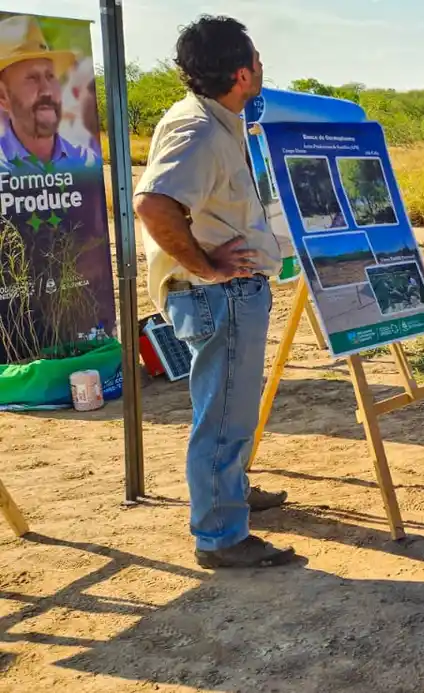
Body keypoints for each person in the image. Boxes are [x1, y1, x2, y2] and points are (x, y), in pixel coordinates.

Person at [133, 16, 293, 568]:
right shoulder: (198, 129)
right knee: (223, 414)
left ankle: (232, 498)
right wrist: (207, 266)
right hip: (217, 296)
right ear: (244, 73)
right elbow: (154, 205)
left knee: (233, 410)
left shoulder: (215, 122)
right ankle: (220, 535)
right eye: (259, 62)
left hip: (227, 293)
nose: (263, 71)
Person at [0, 15, 92, 170]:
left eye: (51, 76)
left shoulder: (86, 163)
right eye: (32, 78)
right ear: (3, 96)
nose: (47, 90)